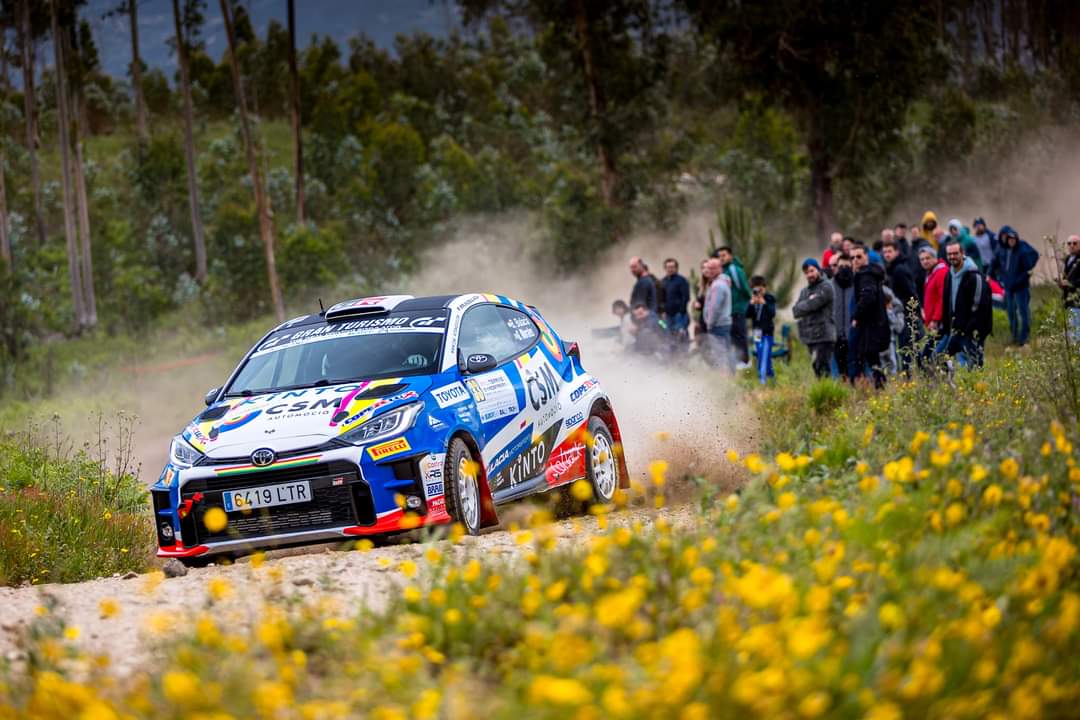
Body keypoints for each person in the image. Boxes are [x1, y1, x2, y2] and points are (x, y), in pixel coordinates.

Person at [939, 240, 993, 368]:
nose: (952, 257)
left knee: (973, 364)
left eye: (955, 253)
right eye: (949, 254)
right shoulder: (949, 274)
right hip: (955, 329)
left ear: (962, 253)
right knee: (942, 360)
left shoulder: (975, 276)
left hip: (972, 330)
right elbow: (947, 302)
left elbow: (979, 306)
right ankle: (957, 385)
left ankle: (977, 387)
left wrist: (970, 329)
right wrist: (948, 327)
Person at [989, 225, 1039, 346]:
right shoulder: (1002, 249)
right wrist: (992, 275)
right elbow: (995, 263)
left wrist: (1019, 280)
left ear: (1016, 239)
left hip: (1021, 288)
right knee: (1011, 313)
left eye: (1012, 238)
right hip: (1008, 288)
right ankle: (1014, 337)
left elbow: (1030, 265)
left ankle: (1024, 338)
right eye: (1007, 238)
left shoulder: (1022, 249)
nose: (1009, 240)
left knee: (1023, 312)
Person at [850, 244, 890, 389]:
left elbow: (868, 296)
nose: (855, 260)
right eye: (852, 257)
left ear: (866, 256)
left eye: (858, 256)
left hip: (871, 325)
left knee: (872, 359)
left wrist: (856, 315)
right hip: (874, 323)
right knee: (873, 359)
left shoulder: (866, 275)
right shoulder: (868, 273)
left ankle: (880, 388)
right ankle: (879, 387)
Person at [792, 258, 836, 378]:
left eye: (812, 271)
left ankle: (828, 393)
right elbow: (796, 311)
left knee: (822, 367)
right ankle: (823, 391)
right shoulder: (804, 291)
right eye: (806, 272)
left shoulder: (827, 286)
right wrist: (808, 302)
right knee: (816, 368)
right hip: (810, 337)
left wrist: (807, 303)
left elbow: (815, 303)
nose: (809, 275)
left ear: (818, 270)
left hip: (824, 335)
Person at [883, 238, 919, 372]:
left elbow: (911, 292)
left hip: (906, 314)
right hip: (900, 312)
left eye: (889, 251)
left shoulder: (899, 270)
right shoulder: (891, 268)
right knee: (904, 346)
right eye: (885, 252)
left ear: (897, 252)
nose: (887, 254)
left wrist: (912, 312)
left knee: (906, 346)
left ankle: (908, 374)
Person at [716, 246, 751, 367]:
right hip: (727, 311)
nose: (722, 258)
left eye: (724, 255)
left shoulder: (735, 270)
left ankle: (744, 362)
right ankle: (735, 361)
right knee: (731, 337)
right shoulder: (722, 271)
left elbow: (746, 289)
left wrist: (742, 305)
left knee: (740, 335)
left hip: (737, 309)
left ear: (730, 256)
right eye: (719, 256)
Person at [702, 258, 733, 371]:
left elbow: (714, 308)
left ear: (720, 268)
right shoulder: (721, 282)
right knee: (726, 351)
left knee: (720, 354)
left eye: (712, 268)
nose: (709, 271)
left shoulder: (717, 286)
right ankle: (730, 376)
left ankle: (724, 380)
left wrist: (710, 323)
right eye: (708, 268)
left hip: (718, 324)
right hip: (723, 323)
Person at [747, 275, 777, 385]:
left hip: (767, 332)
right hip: (757, 332)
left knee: (765, 356)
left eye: (760, 288)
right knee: (760, 354)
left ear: (765, 288)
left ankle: (762, 380)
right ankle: (771, 378)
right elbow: (747, 315)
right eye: (755, 289)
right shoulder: (753, 299)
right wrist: (751, 304)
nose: (758, 291)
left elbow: (772, 314)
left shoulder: (769, 299)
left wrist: (763, 303)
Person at [832, 254, 855, 380]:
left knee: (854, 368)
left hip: (853, 334)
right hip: (836, 335)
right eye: (841, 266)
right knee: (840, 371)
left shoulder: (857, 284)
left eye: (847, 266)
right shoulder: (830, 285)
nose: (844, 268)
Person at [660, 258, 690, 339]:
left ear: (676, 268)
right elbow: (661, 299)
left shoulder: (682, 280)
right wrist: (662, 311)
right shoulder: (662, 282)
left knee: (680, 335)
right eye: (668, 267)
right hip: (667, 316)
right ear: (665, 268)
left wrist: (681, 311)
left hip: (679, 315)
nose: (670, 269)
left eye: (672, 267)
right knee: (667, 335)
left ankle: (684, 351)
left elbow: (686, 297)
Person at [1059, 235, 1080, 341]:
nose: (1072, 246)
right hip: (1068, 299)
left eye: (1075, 243)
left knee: (1076, 328)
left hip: (1077, 299)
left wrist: (1070, 283)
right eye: (1069, 243)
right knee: (1070, 329)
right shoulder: (1068, 259)